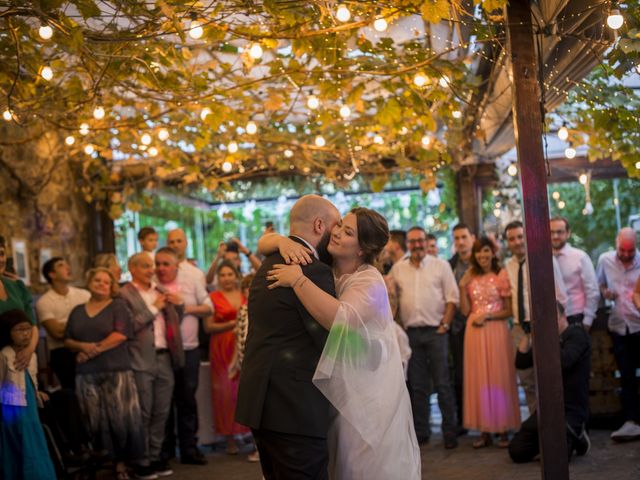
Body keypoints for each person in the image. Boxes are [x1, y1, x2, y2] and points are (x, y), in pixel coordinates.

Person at [264, 207, 421, 479]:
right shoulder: (329, 260)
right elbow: (262, 242)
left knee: (357, 461)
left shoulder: (370, 281)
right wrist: (281, 241)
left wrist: (298, 280)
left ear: (362, 249)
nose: (336, 232)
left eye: (348, 232)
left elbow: (341, 319)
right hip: (339, 387)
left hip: (366, 392)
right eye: (339, 226)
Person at [236, 194, 341, 479]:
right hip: (293, 408)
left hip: (264, 402)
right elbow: (332, 338)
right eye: (337, 226)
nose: (338, 234)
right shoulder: (313, 271)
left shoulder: (270, 261)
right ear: (320, 225)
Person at [64, 268, 148, 480]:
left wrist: (91, 350)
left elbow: (120, 335)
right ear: (89, 282)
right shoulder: (77, 310)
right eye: (97, 280)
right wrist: (82, 347)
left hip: (116, 370)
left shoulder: (118, 306)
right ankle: (103, 463)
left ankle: (122, 464)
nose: (101, 284)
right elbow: (68, 339)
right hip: (86, 373)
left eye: (106, 282)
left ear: (112, 286)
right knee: (94, 420)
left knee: (120, 419)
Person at [389, 226, 459, 449]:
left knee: (442, 383)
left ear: (426, 241)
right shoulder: (398, 269)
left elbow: (452, 299)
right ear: (407, 244)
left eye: (420, 241)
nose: (417, 245)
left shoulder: (441, 265)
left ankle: (450, 433)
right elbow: (391, 296)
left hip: (436, 332)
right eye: (412, 242)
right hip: (411, 334)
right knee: (418, 386)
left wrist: (445, 324)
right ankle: (422, 432)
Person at [119, 253, 185, 477]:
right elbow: (128, 325)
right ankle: (141, 460)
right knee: (144, 412)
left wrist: (178, 304)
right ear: (133, 268)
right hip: (140, 358)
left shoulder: (159, 290)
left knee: (162, 411)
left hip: (165, 356)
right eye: (146, 266)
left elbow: (175, 321)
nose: (152, 270)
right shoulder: (124, 293)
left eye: (152, 266)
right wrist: (154, 308)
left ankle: (156, 457)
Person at [509, 302, 591, 462]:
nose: (547, 323)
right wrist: (528, 336)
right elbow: (521, 363)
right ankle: (552, 441)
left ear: (562, 317)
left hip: (571, 409)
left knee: (556, 458)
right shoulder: (545, 341)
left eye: (551, 318)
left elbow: (564, 361)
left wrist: (546, 336)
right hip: (547, 408)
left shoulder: (576, 334)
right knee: (517, 451)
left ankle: (578, 436)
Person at [459, 236, 520, 448]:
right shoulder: (471, 277)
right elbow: (466, 310)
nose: (482, 255)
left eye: (485, 250)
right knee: (479, 380)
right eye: (478, 252)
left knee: (498, 377)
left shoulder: (501, 275)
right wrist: (462, 286)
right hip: (474, 333)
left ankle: (503, 429)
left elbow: (510, 310)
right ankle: (484, 430)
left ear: (492, 252)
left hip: (496, 331)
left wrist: (489, 316)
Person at [155, 247, 212, 466]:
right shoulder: (152, 284)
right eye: (158, 264)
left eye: (166, 264)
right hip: (162, 351)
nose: (161, 268)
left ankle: (190, 449)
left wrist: (183, 306)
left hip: (188, 350)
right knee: (163, 403)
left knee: (187, 400)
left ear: (176, 264)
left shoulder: (191, 280)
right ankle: (165, 450)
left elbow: (209, 308)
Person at [503, 221, 568, 413]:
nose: (517, 242)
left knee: (550, 379)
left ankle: (556, 430)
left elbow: (560, 295)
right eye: (512, 239)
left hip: (544, 327)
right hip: (519, 329)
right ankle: (534, 427)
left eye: (520, 236)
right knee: (527, 381)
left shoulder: (544, 258)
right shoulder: (508, 266)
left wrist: (556, 328)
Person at [0, 309, 56, 480]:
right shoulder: (4, 354)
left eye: (27, 329)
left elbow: (30, 379)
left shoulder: (32, 355)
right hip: (12, 406)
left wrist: (36, 391)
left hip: (29, 404)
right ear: (8, 332)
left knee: (33, 439)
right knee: (16, 442)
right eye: (19, 330)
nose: (25, 334)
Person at [596, 227, 640, 442]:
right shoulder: (605, 260)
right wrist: (605, 292)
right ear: (616, 244)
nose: (625, 255)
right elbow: (599, 284)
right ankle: (632, 421)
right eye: (622, 250)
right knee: (627, 376)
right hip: (619, 325)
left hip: (639, 324)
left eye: (630, 251)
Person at [205, 260, 249, 454]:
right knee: (224, 394)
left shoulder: (244, 294)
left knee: (242, 392)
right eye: (222, 275)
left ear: (236, 275)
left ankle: (246, 433)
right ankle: (229, 438)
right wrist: (234, 324)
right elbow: (208, 327)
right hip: (221, 347)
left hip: (242, 346)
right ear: (218, 277)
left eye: (230, 274)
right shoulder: (212, 297)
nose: (226, 278)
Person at [36, 257, 91, 389]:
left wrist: (64, 324)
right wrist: (82, 321)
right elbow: (56, 333)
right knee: (72, 394)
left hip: (87, 347)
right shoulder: (44, 301)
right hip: (61, 353)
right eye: (61, 265)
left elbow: (95, 324)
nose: (68, 267)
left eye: (67, 264)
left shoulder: (83, 294)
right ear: (52, 274)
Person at [227, 273, 260, 463]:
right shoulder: (242, 310)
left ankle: (259, 448)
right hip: (244, 364)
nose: (248, 292)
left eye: (252, 287)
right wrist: (234, 363)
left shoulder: (262, 310)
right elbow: (237, 337)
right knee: (250, 406)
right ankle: (256, 445)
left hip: (257, 364)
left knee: (259, 408)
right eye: (245, 288)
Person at [448, 222, 476, 432]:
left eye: (463, 237)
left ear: (472, 238)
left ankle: (489, 420)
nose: (460, 242)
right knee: (459, 375)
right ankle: (463, 420)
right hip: (458, 327)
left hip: (482, 325)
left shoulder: (483, 262)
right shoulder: (449, 265)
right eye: (456, 238)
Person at [550, 217, 599, 330]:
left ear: (568, 233)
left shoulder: (580, 257)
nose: (555, 236)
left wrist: (587, 321)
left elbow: (592, 291)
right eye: (551, 232)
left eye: (559, 232)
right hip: (553, 320)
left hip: (576, 317)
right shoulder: (543, 259)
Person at [0, 243, 39, 374]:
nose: (1, 259)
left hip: (20, 358)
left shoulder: (16, 285)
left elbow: (32, 324)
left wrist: (29, 350)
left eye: (2, 254)